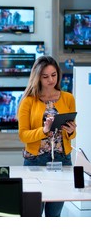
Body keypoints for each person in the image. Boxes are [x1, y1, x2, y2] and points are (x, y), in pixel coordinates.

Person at [18, 55, 77, 217]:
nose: (50, 80)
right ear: (37, 77)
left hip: (62, 160)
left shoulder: (68, 98)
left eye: (53, 75)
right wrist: (43, 130)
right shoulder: (28, 101)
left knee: (54, 215)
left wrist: (71, 131)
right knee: (32, 215)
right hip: (35, 161)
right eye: (45, 76)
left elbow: (71, 135)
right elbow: (23, 136)